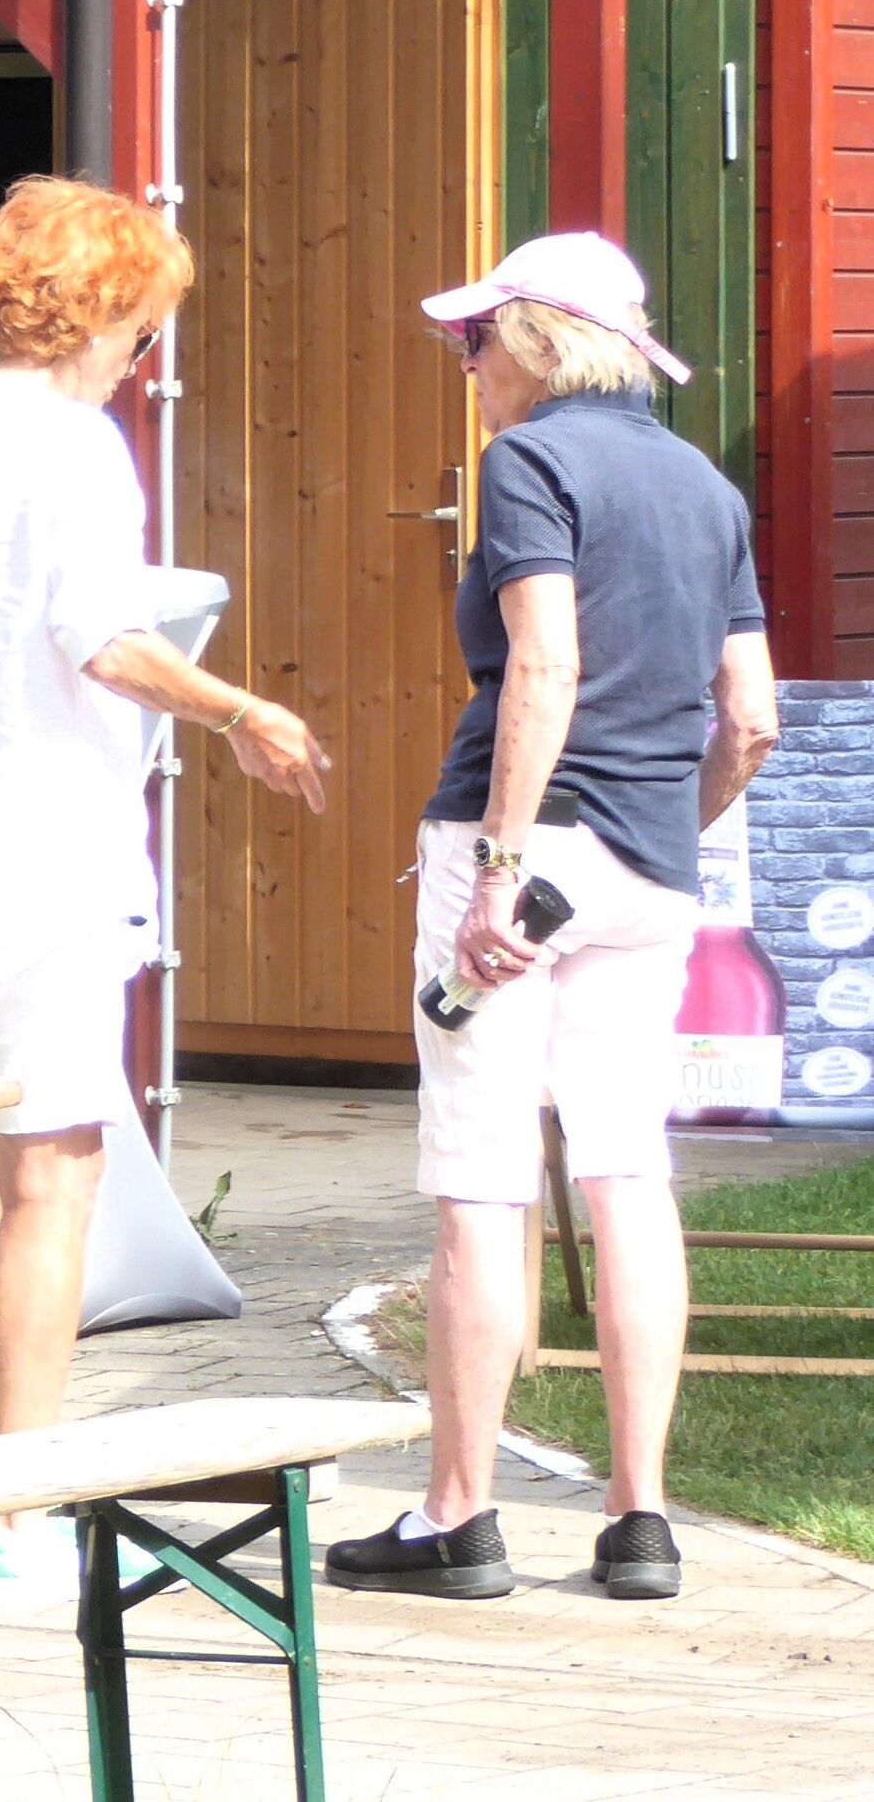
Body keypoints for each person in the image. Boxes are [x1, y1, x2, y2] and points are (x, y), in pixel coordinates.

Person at [0, 178, 329, 1607]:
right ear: (95, 315)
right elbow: (99, 636)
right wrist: (241, 709)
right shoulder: (68, 440)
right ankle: (15, 1514)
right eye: (141, 328)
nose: (140, 357)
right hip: (34, 861)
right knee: (54, 1178)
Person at [325, 233, 775, 1607]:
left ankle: (458, 1515)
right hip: (648, 865)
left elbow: (545, 662)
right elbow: (750, 718)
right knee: (626, 1169)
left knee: (480, 1178)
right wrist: (662, 831)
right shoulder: (705, 485)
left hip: (519, 847)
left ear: (535, 337)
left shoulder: (527, 461)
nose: (463, 363)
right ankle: (639, 1517)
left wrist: (501, 866)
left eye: (474, 339)